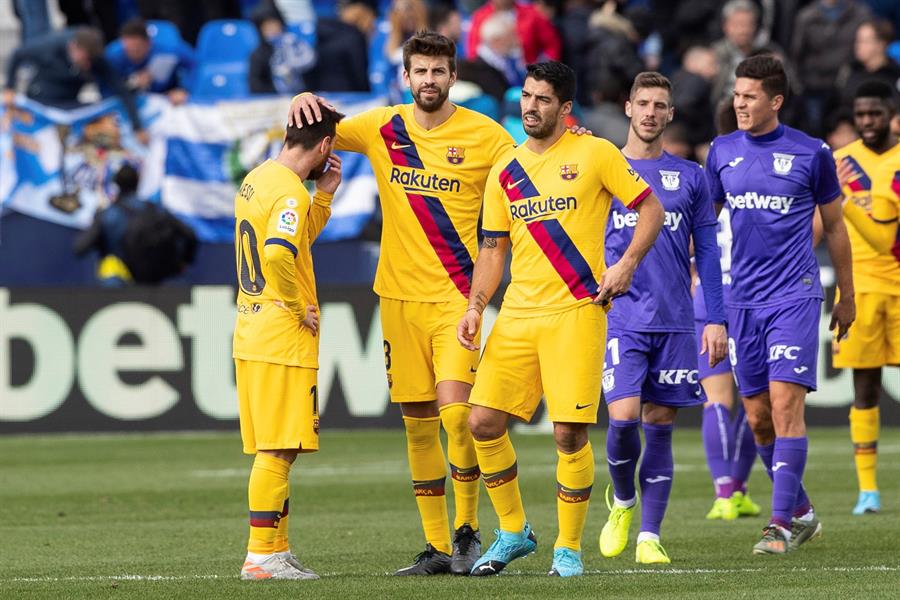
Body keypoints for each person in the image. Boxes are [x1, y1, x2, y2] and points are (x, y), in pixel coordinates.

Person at [289, 32, 517, 576]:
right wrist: (299, 101)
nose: (430, 80)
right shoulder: (382, 126)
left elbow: (530, 167)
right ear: (406, 77)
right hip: (397, 299)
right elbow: (316, 130)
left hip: (456, 301)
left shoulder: (486, 136)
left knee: (457, 416)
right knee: (417, 423)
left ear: (452, 76)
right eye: (421, 71)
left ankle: (467, 532)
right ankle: (437, 546)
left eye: (439, 71)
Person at [458, 61, 665, 577]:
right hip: (519, 314)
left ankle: (568, 549)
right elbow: (491, 249)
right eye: (527, 96)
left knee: (568, 433)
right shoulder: (505, 169)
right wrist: (476, 305)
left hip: (577, 311)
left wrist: (626, 263)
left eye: (543, 99)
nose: (530, 106)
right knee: (480, 421)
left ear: (565, 108)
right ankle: (513, 532)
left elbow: (651, 208)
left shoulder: (595, 152)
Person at [705, 55, 855, 555]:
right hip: (741, 300)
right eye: (737, 94)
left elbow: (834, 227)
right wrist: (712, 306)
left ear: (776, 101)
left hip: (793, 295)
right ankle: (803, 511)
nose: (739, 103)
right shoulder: (721, 152)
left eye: (749, 96)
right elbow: (707, 233)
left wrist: (847, 295)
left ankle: (778, 524)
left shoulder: (812, 153)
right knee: (758, 418)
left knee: (787, 405)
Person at [598, 72, 727, 565]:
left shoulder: (691, 176)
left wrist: (714, 318)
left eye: (660, 105)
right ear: (628, 108)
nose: (651, 112)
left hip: (676, 318)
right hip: (621, 315)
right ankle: (624, 502)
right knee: (624, 418)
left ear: (670, 114)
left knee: (660, 422)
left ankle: (650, 535)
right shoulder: (602, 166)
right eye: (643, 103)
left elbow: (710, 251)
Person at [233, 104, 344, 580]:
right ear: (323, 146)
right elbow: (278, 254)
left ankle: (275, 548)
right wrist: (298, 305)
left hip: (251, 328)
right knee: (278, 449)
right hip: (280, 335)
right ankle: (260, 555)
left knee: (278, 447)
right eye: (332, 147)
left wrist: (324, 198)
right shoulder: (289, 194)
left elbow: (292, 242)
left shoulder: (258, 177)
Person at [831, 80, 900, 515]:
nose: (867, 122)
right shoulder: (839, 161)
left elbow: (883, 239)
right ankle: (868, 491)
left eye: (875, 113)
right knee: (865, 386)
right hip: (860, 288)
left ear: (890, 113)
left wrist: (845, 200)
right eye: (861, 115)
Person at [697, 99, 761, 523]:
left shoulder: (701, 188)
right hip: (751, 297)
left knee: (716, 398)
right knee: (757, 399)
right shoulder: (761, 185)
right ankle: (734, 491)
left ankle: (725, 492)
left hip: (706, 296)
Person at [3, 27, 145, 141]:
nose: (88, 65)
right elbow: (18, 54)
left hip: (69, 102)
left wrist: (137, 127)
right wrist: (10, 87)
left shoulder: (95, 59)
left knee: (100, 116)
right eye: (85, 60)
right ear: (74, 48)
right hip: (41, 99)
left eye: (91, 62)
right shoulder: (52, 46)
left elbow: (121, 89)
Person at [105, 18, 194, 104]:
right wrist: (133, 82)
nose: (132, 52)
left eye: (137, 48)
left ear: (148, 44)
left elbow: (196, 66)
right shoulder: (113, 56)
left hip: (168, 99)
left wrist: (185, 89)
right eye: (128, 49)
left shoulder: (169, 50)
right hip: (133, 103)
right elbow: (106, 87)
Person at [466, 0, 561, 65]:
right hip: (493, 75)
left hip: (527, 74)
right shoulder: (479, 17)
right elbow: (473, 53)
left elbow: (551, 44)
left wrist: (543, 70)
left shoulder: (532, 14)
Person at [248, 4, 315, 95]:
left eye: (274, 24)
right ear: (260, 30)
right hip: (275, 102)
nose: (272, 29)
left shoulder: (296, 45)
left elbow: (312, 73)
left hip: (303, 97)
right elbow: (255, 87)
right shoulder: (258, 55)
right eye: (266, 27)